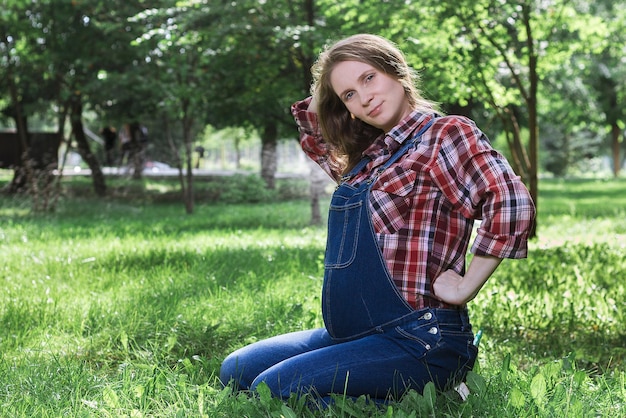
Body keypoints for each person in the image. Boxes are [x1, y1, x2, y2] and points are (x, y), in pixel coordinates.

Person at [220, 33, 536, 404]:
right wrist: (331, 85)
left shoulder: (444, 134)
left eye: (369, 77)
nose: (364, 97)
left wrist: (468, 286)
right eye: (349, 95)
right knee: (236, 370)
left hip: (419, 338)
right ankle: (395, 390)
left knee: (270, 390)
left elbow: (511, 201)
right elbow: (315, 127)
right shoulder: (366, 158)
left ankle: (440, 396)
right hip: (354, 334)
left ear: (396, 70)